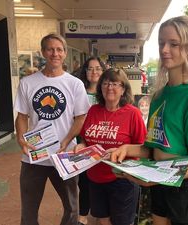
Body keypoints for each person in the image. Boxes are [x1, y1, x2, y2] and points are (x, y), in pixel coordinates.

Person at [110, 15, 188, 225]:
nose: (165, 49)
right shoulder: (159, 95)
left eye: (174, 44)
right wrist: (127, 149)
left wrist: (155, 177)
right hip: (161, 184)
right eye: (161, 43)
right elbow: (154, 149)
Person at [14, 33, 90, 225]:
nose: (55, 53)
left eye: (59, 49)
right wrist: (21, 139)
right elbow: (22, 116)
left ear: (64, 53)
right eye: (50, 49)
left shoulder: (75, 84)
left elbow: (81, 117)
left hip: (65, 155)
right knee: (29, 209)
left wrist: (66, 141)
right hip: (34, 156)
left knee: (72, 208)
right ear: (43, 52)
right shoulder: (27, 83)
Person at [75, 68, 147, 225]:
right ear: (100, 87)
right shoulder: (93, 110)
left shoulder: (132, 114)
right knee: (103, 220)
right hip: (95, 178)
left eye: (115, 83)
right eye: (106, 83)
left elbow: (143, 147)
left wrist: (123, 151)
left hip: (122, 179)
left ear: (123, 89)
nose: (109, 87)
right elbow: (86, 139)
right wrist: (81, 145)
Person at [77, 56, 106, 225]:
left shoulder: (107, 92)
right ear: (85, 72)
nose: (94, 72)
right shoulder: (79, 92)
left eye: (98, 68)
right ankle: (82, 214)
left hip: (104, 141)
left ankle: (100, 211)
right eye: (90, 68)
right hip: (83, 140)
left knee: (101, 178)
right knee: (84, 180)